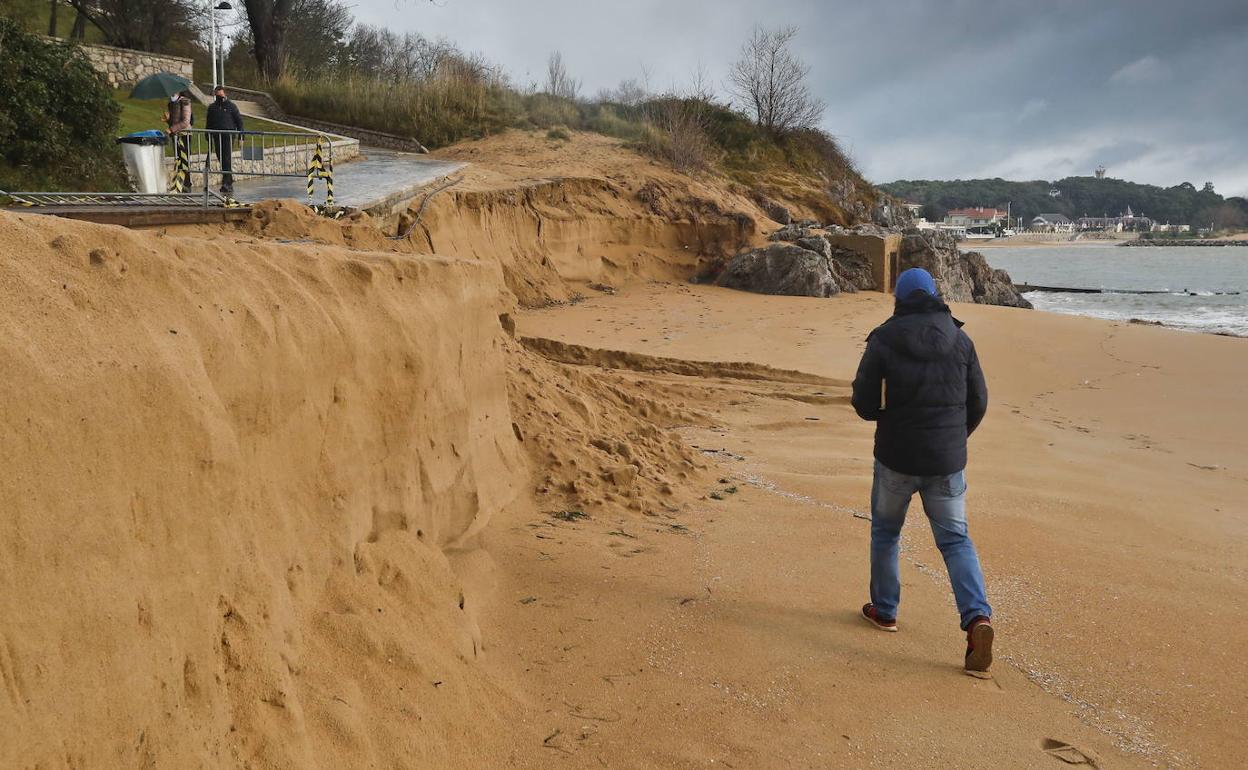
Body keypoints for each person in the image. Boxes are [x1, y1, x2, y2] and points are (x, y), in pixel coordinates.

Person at [851, 267, 994, 674]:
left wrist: (883, 415)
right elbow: (979, 401)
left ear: (900, 297)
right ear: (935, 295)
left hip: (896, 456)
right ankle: (977, 618)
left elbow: (862, 402)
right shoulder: (961, 340)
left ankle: (885, 611)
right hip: (946, 462)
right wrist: (955, 437)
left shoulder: (884, 338)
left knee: (885, 533)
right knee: (955, 542)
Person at [205, 85, 244, 194]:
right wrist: (207, 135)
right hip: (217, 136)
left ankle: (227, 183)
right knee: (221, 158)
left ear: (224, 94)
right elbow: (209, 122)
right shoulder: (212, 107)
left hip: (228, 136)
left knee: (226, 158)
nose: (219, 97)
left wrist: (241, 137)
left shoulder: (231, 106)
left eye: (220, 95)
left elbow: (239, 122)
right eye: (217, 95)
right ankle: (227, 180)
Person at [165, 90, 193, 192]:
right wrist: (168, 119)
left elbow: (186, 121)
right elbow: (174, 120)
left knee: (184, 159)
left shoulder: (184, 102)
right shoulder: (171, 103)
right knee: (178, 159)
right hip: (175, 135)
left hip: (184, 135)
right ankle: (179, 183)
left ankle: (186, 183)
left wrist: (171, 129)